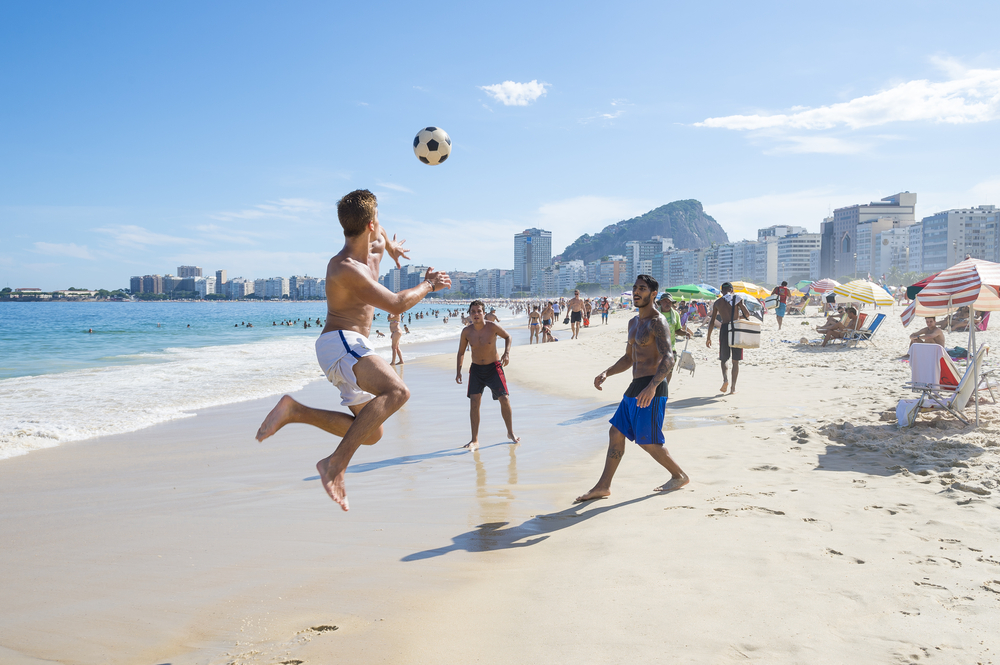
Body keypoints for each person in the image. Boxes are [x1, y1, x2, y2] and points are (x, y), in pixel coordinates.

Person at [254, 189, 451, 511]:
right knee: (397, 392)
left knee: (372, 433)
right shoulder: (344, 268)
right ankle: (336, 465)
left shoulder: (377, 235)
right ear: (371, 223)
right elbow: (396, 304)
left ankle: (295, 411)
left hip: (351, 346)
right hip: (340, 341)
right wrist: (429, 284)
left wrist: (394, 249)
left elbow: (384, 240)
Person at [575, 275, 689, 502]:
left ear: (653, 294)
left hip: (652, 386)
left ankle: (679, 475)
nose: (637, 292)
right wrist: (607, 372)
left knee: (648, 441)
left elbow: (669, 358)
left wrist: (652, 387)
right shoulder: (633, 323)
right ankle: (603, 486)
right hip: (635, 386)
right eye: (635, 288)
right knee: (616, 431)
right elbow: (629, 357)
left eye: (642, 289)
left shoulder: (658, 322)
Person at [456, 300, 519, 451]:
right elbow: (461, 352)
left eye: (479, 311)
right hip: (477, 369)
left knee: (504, 398)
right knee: (474, 402)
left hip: (494, 368)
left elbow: (508, 337)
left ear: (484, 313)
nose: (476, 314)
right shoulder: (466, 331)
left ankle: (510, 432)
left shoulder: (492, 327)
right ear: (469, 314)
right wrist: (458, 370)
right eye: (473, 312)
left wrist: (507, 353)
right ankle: (474, 439)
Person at [706, 282, 750, 394]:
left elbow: (712, 321)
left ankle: (725, 379)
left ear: (722, 291)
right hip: (736, 328)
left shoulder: (717, 302)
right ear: (732, 289)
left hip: (724, 328)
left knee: (724, 358)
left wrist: (708, 337)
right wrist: (738, 313)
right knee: (735, 361)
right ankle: (733, 388)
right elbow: (747, 314)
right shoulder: (737, 299)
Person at [656, 292, 691, 384]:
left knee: (669, 370)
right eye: (665, 301)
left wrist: (685, 333)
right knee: (656, 370)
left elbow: (677, 330)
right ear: (660, 303)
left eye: (669, 302)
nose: (667, 303)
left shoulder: (675, 314)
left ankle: (665, 388)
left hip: (671, 348)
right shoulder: (655, 314)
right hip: (656, 348)